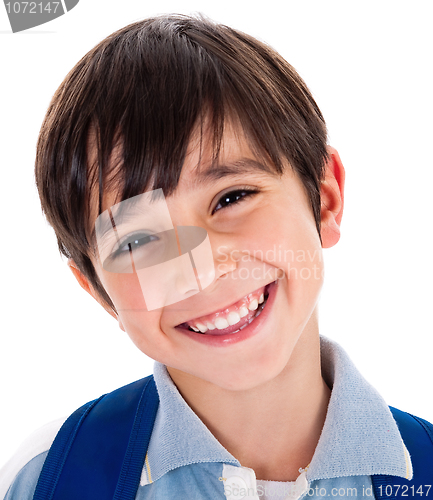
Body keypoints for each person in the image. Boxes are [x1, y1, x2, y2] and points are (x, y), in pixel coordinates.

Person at [0, 14, 431, 500]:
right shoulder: (44, 481)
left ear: (325, 198)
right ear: (98, 290)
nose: (200, 269)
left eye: (232, 198)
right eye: (139, 241)